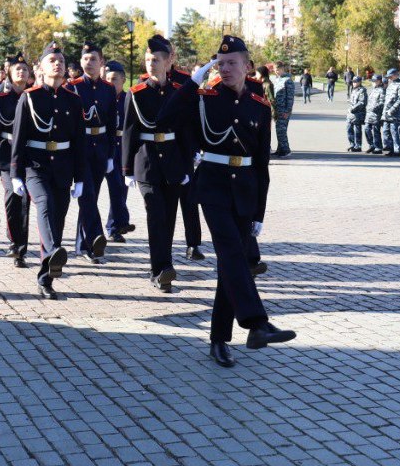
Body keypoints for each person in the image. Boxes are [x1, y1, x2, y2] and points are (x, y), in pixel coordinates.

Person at [160, 35, 295, 368]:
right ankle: (256, 323)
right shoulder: (203, 97)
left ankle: (220, 338)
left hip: (246, 189)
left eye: (232, 62)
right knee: (231, 252)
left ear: (247, 66)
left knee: (232, 265)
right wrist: (192, 82)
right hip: (213, 187)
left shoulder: (259, 106)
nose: (226, 68)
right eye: (221, 63)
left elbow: (262, 163)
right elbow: (164, 119)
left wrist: (259, 212)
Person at [10, 42, 88, 299]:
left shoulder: (73, 101)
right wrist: (15, 174)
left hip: (63, 167)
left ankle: (46, 276)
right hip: (36, 165)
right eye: (52, 60)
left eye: (61, 61)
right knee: (43, 203)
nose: (58, 64)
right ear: (41, 67)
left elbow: (79, 142)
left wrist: (80, 177)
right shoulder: (29, 98)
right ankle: (54, 251)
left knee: (57, 219)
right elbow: (19, 137)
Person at [122, 35, 191, 293]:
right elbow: (129, 131)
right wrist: (127, 170)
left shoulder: (177, 93)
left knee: (169, 219)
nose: (151, 64)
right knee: (155, 215)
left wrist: (186, 166)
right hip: (147, 164)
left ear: (168, 61)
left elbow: (185, 133)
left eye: (157, 60)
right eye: (148, 59)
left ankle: (166, 267)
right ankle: (159, 270)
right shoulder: (137, 94)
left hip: (172, 164)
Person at [66, 43, 115, 264]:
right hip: (80, 147)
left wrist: (112, 155)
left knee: (92, 196)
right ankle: (96, 237)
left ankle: (82, 245)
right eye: (85, 59)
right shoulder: (73, 87)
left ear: (101, 62)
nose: (89, 63)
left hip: (101, 147)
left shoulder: (107, 88)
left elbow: (113, 124)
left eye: (93, 59)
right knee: (86, 196)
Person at [0, 53, 32, 266]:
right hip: (6, 154)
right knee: (13, 198)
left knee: (25, 201)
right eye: (17, 69)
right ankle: (15, 244)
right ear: (10, 74)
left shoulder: (35, 97)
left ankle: (20, 248)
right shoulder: (0, 100)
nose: (21, 72)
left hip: (30, 155)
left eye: (24, 69)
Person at [169, 51, 205, 260]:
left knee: (189, 200)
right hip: (161, 153)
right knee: (164, 204)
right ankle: (163, 245)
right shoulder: (145, 82)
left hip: (183, 150)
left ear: (171, 57)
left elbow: (192, 118)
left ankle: (193, 243)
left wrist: (194, 149)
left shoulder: (185, 81)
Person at [103, 60, 133, 243]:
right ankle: (121, 220)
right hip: (105, 144)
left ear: (123, 80)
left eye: (114, 79)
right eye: (107, 79)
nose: (110, 83)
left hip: (122, 144)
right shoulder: (102, 98)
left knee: (121, 188)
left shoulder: (128, 98)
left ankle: (114, 227)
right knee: (110, 186)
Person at [272, 62, 295, 156]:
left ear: (282, 69)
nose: (276, 71)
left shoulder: (288, 80)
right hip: (277, 109)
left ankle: (286, 150)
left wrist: (288, 111)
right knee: (279, 130)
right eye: (274, 70)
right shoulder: (277, 80)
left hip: (284, 110)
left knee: (281, 130)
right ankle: (280, 149)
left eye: (277, 69)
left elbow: (290, 97)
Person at [381, 68, 400, 157]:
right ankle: (390, 148)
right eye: (389, 77)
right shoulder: (390, 85)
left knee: (394, 131)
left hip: (395, 113)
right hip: (386, 113)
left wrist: (392, 109)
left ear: (395, 75)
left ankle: (397, 150)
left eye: (391, 76)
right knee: (386, 131)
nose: (389, 78)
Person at [363, 74, 385, 154]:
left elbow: (382, 102)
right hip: (369, 114)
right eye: (372, 81)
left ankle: (378, 147)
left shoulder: (382, 90)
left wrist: (374, 108)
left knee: (376, 131)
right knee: (367, 129)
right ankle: (371, 145)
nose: (373, 83)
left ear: (379, 81)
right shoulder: (373, 90)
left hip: (376, 114)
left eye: (374, 81)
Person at [345, 75, 367, 151]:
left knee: (357, 130)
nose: (354, 83)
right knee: (349, 129)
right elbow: (353, 101)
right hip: (351, 114)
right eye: (353, 82)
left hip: (358, 113)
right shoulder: (354, 90)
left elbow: (362, 102)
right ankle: (352, 144)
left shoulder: (362, 90)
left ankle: (358, 146)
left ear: (360, 82)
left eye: (355, 82)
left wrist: (353, 108)